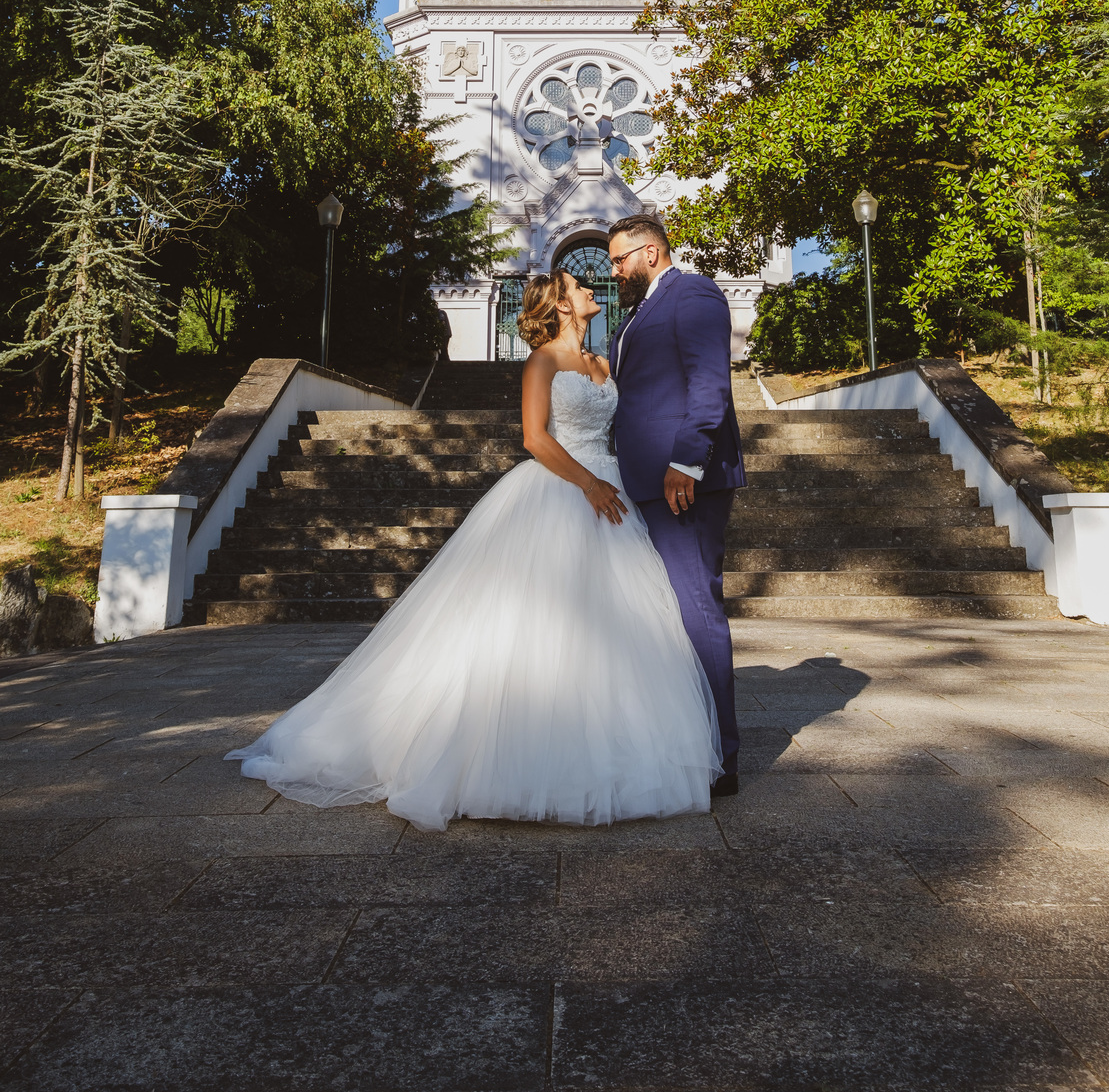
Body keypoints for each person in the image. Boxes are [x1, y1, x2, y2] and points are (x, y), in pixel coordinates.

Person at [227, 269, 720, 831]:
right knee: (532, 626)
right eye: (579, 286)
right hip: (563, 490)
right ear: (561, 305)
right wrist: (587, 483)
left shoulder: (607, 364)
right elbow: (535, 438)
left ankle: (618, 755)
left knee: (622, 623)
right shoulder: (543, 362)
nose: (591, 289)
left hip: (615, 493)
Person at [606, 217, 745, 796]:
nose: (613, 272)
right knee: (665, 612)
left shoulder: (693, 293)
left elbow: (708, 381)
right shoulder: (641, 310)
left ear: (651, 251)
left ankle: (719, 757)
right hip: (643, 481)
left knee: (695, 609)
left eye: (619, 261)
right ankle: (684, 737)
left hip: (681, 480)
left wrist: (687, 461)